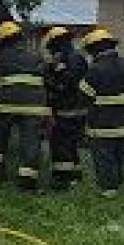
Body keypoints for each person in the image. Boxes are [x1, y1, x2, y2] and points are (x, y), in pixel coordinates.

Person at [0, 20, 51, 191]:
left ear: (3, 40)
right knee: (30, 142)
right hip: (33, 107)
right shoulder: (36, 56)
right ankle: (27, 181)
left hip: (5, 106)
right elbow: (46, 78)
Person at [78, 27, 124, 198]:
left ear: (93, 49)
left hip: (101, 125)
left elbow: (83, 96)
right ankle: (118, 184)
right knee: (119, 155)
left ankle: (108, 190)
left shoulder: (94, 70)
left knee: (104, 157)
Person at [43, 26, 88, 190]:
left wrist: (53, 77)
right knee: (71, 146)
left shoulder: (69, 60)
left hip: (66, 111)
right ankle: (75, 177)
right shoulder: (77, 58)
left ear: (56, 43)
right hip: (76, 110)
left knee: (61, 146)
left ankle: (63, 181)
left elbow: (65, 85)